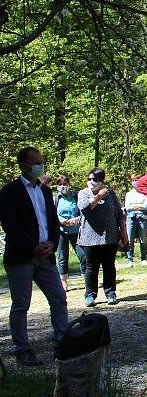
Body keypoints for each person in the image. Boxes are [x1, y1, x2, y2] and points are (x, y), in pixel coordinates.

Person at [0, 147, 68, 366]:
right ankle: (23, 350)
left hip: (46, 256)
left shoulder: (45, 191)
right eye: (35, 162)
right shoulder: (10, 191)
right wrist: (32, 247)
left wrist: (52, 244)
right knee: (21, 305)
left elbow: (52, 222)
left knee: (59, 298)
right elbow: (10, 225)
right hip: (21, 257)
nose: (40, 165)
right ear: (23, 165)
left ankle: (62, 341)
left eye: (41, 161)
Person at [77, 168, 127, 306]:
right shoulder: (83, 193)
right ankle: (90, 295)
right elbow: (85, 208)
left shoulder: (110, 194)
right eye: (89, 179)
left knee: (109, 266)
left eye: (95, 179)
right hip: (90, 236)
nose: (91, 182)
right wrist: (98, 196)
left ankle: (110, 293)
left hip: (110, 235)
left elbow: (119, 214)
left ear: (102, 180)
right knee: (91, 267)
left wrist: (123, 232)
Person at [55, 173, 85, 292]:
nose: (63, 186)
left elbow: (84, 211)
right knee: (62, 257)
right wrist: (61, 221)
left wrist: (77, 219)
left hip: (76, 230)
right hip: (62, 231)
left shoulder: (76, 197)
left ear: (69, 184)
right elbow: (52, 214)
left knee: (82, 255)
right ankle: (63, 282)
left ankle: (86, 278)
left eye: (65, 184)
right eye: (60, 185)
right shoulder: (56, 198)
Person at [124, 173, 147, 267]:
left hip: (142, 218)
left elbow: (146, 206)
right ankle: (130, 260)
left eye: (137, 180)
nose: (135, 182)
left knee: (143, 239)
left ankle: (144, 259)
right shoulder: (129, 194)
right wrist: (139, 207)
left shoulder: (145, 194)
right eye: (133, 180)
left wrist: (134, 206)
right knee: (130, 240)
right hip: (130, 218)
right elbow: (127, 207)